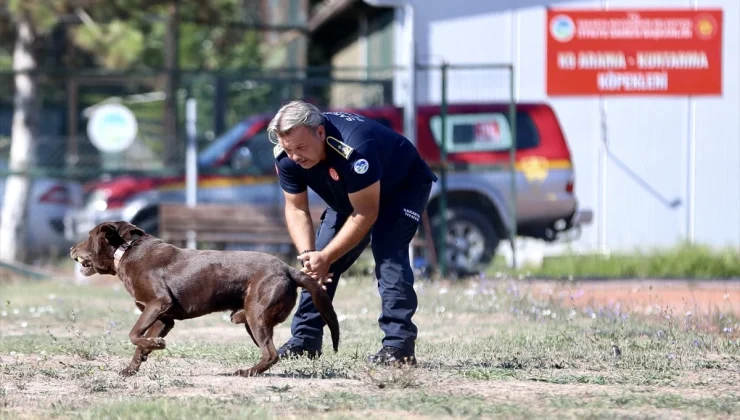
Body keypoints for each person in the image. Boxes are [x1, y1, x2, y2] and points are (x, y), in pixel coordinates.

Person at [269, 100, 438, 366]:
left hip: (401, 188)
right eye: (289, 149)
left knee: (388, 254)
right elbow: (296, 208)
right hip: (352, 194)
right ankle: (305, 340)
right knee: (316, 264)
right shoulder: (288, 157)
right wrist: (310, 255)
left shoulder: (355, 148)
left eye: (300, 148)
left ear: (320, 132)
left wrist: (327, 256)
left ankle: (398, 347)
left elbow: (367, 213)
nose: (295, 156)